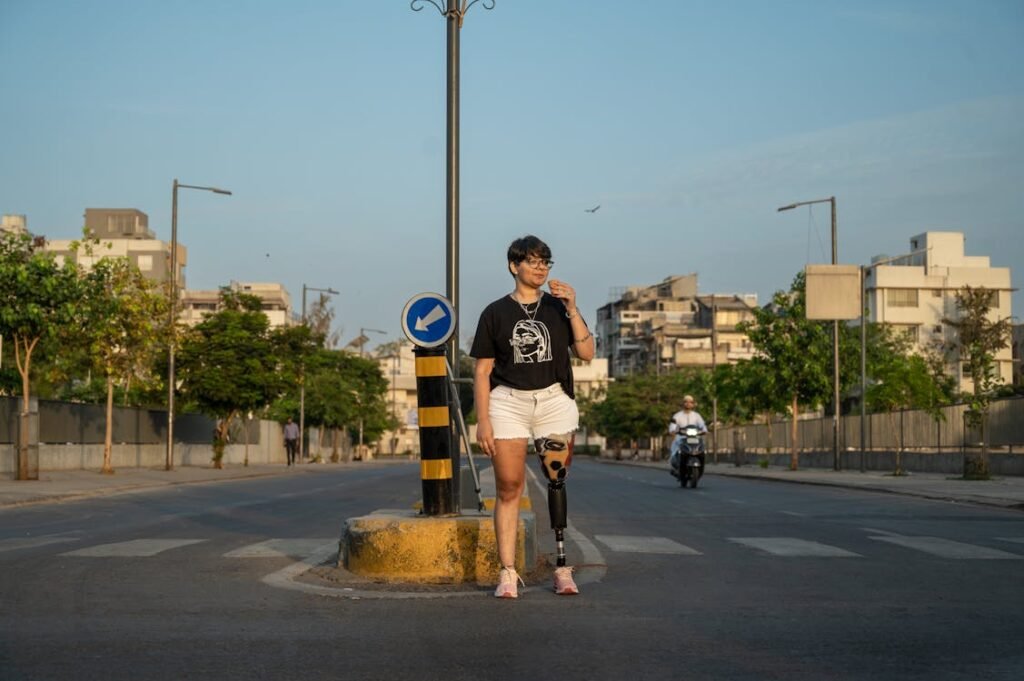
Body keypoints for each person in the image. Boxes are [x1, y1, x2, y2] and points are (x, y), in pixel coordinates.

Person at [471, 235, 596, 599]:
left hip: (553, 400)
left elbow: (587, 352)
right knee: (510, 486)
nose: (540, 268)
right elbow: (482, 371)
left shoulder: (559, 308)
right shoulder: (495, 313)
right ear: (514, 266)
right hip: (507, 402)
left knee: (556, 479)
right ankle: (508, 572)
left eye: (546, 262)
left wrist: (572, 306)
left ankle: (561, 566)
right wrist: (484, 421)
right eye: (533, 261)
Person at [668, 395, 707, 470]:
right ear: (683, 403)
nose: (688, 404)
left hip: (694, 438)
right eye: (686, 402)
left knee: (701, 448)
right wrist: (673, 431)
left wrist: (704, 430)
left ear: (693, 404)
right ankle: (675, 463)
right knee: (675, 448)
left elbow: (702, 425)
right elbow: (672, 426)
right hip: (681, 438)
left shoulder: (697, 416)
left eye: (690, 402)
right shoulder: (677, 415)